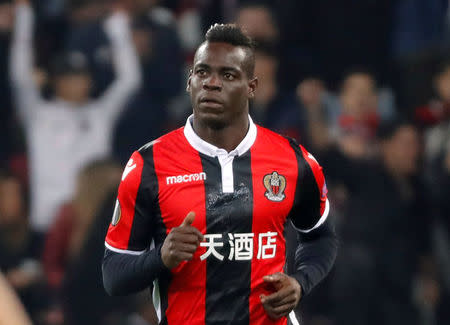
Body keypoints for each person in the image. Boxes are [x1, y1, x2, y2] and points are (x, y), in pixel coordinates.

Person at [102, 24, 337, 324]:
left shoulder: (293, 160)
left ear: (251, 87)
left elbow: (320, 237)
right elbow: (113, 275)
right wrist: (160, 257)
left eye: (227, 75)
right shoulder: (148, 165)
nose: (211, 83)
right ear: (189, 82)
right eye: (202, 72)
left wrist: (301, 282)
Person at [9, 0, 141, 231]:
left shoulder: (101, 113)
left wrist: (118, 29)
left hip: (90, 224)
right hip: (47, 222)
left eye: (81, 76)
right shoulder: (38, 113)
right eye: (69, 77)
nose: (77, 83)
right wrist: (24, 17)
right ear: (56, 82)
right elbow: (20, 77)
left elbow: (130, 82)